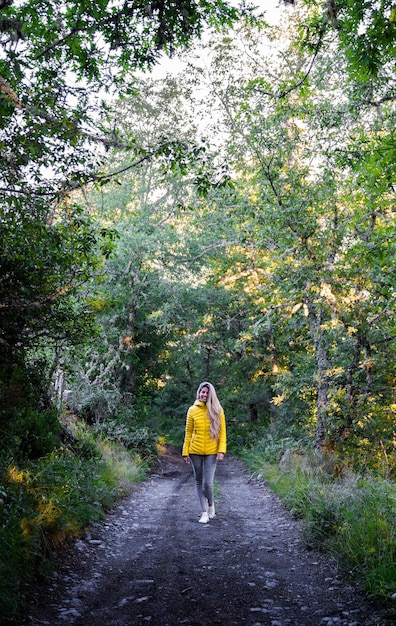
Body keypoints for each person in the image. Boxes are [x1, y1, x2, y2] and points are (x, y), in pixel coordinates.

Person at [182, 381, 227, 523]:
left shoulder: (217, 410)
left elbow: (223, 433)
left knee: (207, 483)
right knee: (198, 481)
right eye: (202, 392)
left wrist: (221, 451)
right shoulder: (192, 410)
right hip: (194, 450)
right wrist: (185, 452)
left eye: (207, 393)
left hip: (212, 451)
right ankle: (204, 512)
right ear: (198, 393)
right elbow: (188, 432)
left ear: (210, 395)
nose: (204, 395)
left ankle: (211, 504)